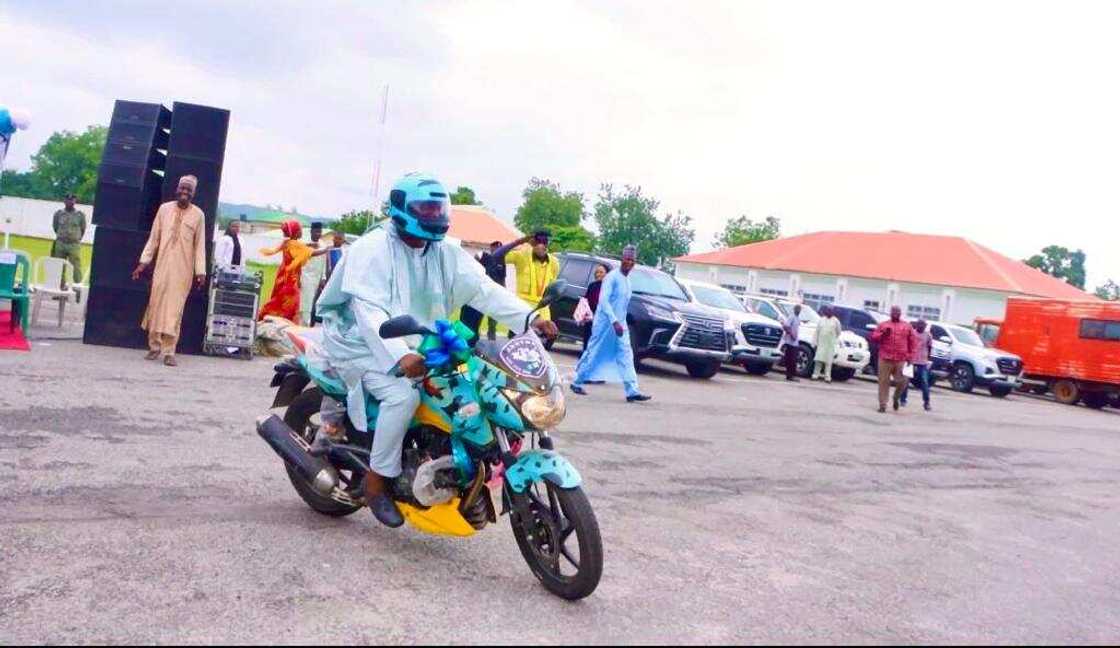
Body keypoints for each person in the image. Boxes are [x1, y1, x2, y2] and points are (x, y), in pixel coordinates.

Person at [315, 173, 558, 528]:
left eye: (437, 208)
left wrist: (530, 318)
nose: (433, 215)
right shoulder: (372, 248)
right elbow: (368, 313)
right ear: (401, 208)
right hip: (358, 342)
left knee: (472, 382)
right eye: (425, 208)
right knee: (403, 396)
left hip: (422, 339)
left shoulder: (444, 251)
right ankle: (376, 483)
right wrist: (400, 355)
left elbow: (483, 290)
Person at [131, 175, 207, 367]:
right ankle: (154, 346)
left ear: (193, 194)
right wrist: (143, 263)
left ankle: (169, 351)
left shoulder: (198, 215)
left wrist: (200, 272)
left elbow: (199, 246)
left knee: (175, 309)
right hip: (162, 266)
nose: (184, 192)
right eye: (182, 188)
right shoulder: (164, 210)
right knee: (156, 304)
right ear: (177, 188)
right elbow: (154, 238)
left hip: (183, 270)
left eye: (188, 190)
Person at [569, 246, 651, 403]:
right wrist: (614, 322)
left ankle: (632, 391)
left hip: (620, 325)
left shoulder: (627, 281)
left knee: (626, 355)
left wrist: (621, 322)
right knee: (593, 352)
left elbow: (623, 305)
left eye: (632, 260)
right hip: (605, 323)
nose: (629, 262)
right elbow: (603, 301)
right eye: (627, 259)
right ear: (622, 260)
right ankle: (576, 381)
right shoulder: (611, 277)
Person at [257, 220, 328, 324]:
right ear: (295, 232)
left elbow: (304, 248)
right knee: (294, 304)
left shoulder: (288, 242)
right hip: (294, 278)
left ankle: (271, 318)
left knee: (283, 301)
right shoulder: (296, 244)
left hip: (286, 276)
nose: (301, 232)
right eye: (299, 230)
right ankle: (293, 325)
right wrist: (327, 249)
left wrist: (323, 277)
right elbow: (311, 253)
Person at [492, 229, 560, 325]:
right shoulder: (521, 256)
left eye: (544, 242)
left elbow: (553, 285)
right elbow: (496, 256)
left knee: (544, 335)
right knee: (518, 337)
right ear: (532, 243)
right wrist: (519, 242)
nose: (541, 245)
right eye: (538, 242)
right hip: (522, 306)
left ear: (547, 244)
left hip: (542, 308)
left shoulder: (554, 262)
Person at [870, 306, 918, 413]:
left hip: (901, 359)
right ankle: (883, 404)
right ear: (890, 313)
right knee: (883, 382)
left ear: (901, 313)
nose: (896, 314)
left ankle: (896, 397)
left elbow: (913, 343)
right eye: (894, 312)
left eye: (898, 312)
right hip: (885, 358)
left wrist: (911, 357)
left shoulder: (907, 326)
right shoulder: (883, 325)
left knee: (903, 381)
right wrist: (883, 334)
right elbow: (873, 337)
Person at [51, 193, 87, 285]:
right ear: (64, 201)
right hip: (61, 243)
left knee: (76, 267)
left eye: (72, 200)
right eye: (68, 200)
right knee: (58, 267)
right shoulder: (59, 214)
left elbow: (83, 229)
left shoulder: (80, 215)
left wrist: (76, 238)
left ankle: (77, 289)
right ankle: (59, 288)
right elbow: (55, 227)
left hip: (73, 244)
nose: (70, 202)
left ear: (75, 201)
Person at [900, 319, 934, 411]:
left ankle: (926, 403)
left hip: (922, 362)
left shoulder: (928, 335)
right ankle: (903, 399)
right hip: (910, 360)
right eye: (920, 325)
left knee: (924, 382)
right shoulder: (912, 334)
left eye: (923, 325)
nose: (921, 327)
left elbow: (930, 347)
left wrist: (928, 359)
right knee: (905, 381)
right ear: (917, 325)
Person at [476, 241, 506, 340]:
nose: (498, 250)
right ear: (491, 248)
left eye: (499, 248)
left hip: (496, 293)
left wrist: (504, 291)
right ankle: (475, 336)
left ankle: (491, 339)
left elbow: (503, 278)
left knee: (493, 320)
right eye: (495, 248)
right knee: (478, 315)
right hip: (484, 292)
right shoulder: (486, 257)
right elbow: (476, 258)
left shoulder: (502, 261)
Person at [300, 222, 328, 326]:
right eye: (316, 231)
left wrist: (323, 278)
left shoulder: (323, 245)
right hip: (305, 276)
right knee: (305, 303)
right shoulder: (304, 243)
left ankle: (308, 324)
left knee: (313, 303)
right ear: (311, 231)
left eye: (320, 231)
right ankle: (303, 325)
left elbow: (324, 262)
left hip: (317, 278)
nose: (318, 234)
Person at [580, 263, 609, 351]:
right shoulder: (592, 285)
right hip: (590, 319)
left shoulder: (609, 287)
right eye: (597, 272)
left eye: (601, 272)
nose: (598, 274)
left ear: (607, 274)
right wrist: (582, 315)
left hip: (601, 320)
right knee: (587, 342)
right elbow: (586, 301)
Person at [811, 305, 842, 382]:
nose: (829, 312)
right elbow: (817, 332)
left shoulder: (836, 321)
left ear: (833, 312)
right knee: (818, 360)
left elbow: (838, 332)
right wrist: (814, 342)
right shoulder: (821, 320)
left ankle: (827, 377)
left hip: (830, 344)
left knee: (828, 362)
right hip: (821, 343)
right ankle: (815, 375)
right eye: (828, 310)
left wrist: (832, 338)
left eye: (831, 310)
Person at [781, 304, 802, 382]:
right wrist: (792, 334)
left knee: (793, 359)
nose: (798, 311)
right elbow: (786, 326)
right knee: (791, 359)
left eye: (799, 309)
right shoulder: (791, 317)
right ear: (794, 309)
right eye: (797, 309)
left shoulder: (797, 318)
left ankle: (790, 375)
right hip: (790, 342)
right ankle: (790, 375)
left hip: (795, 342)